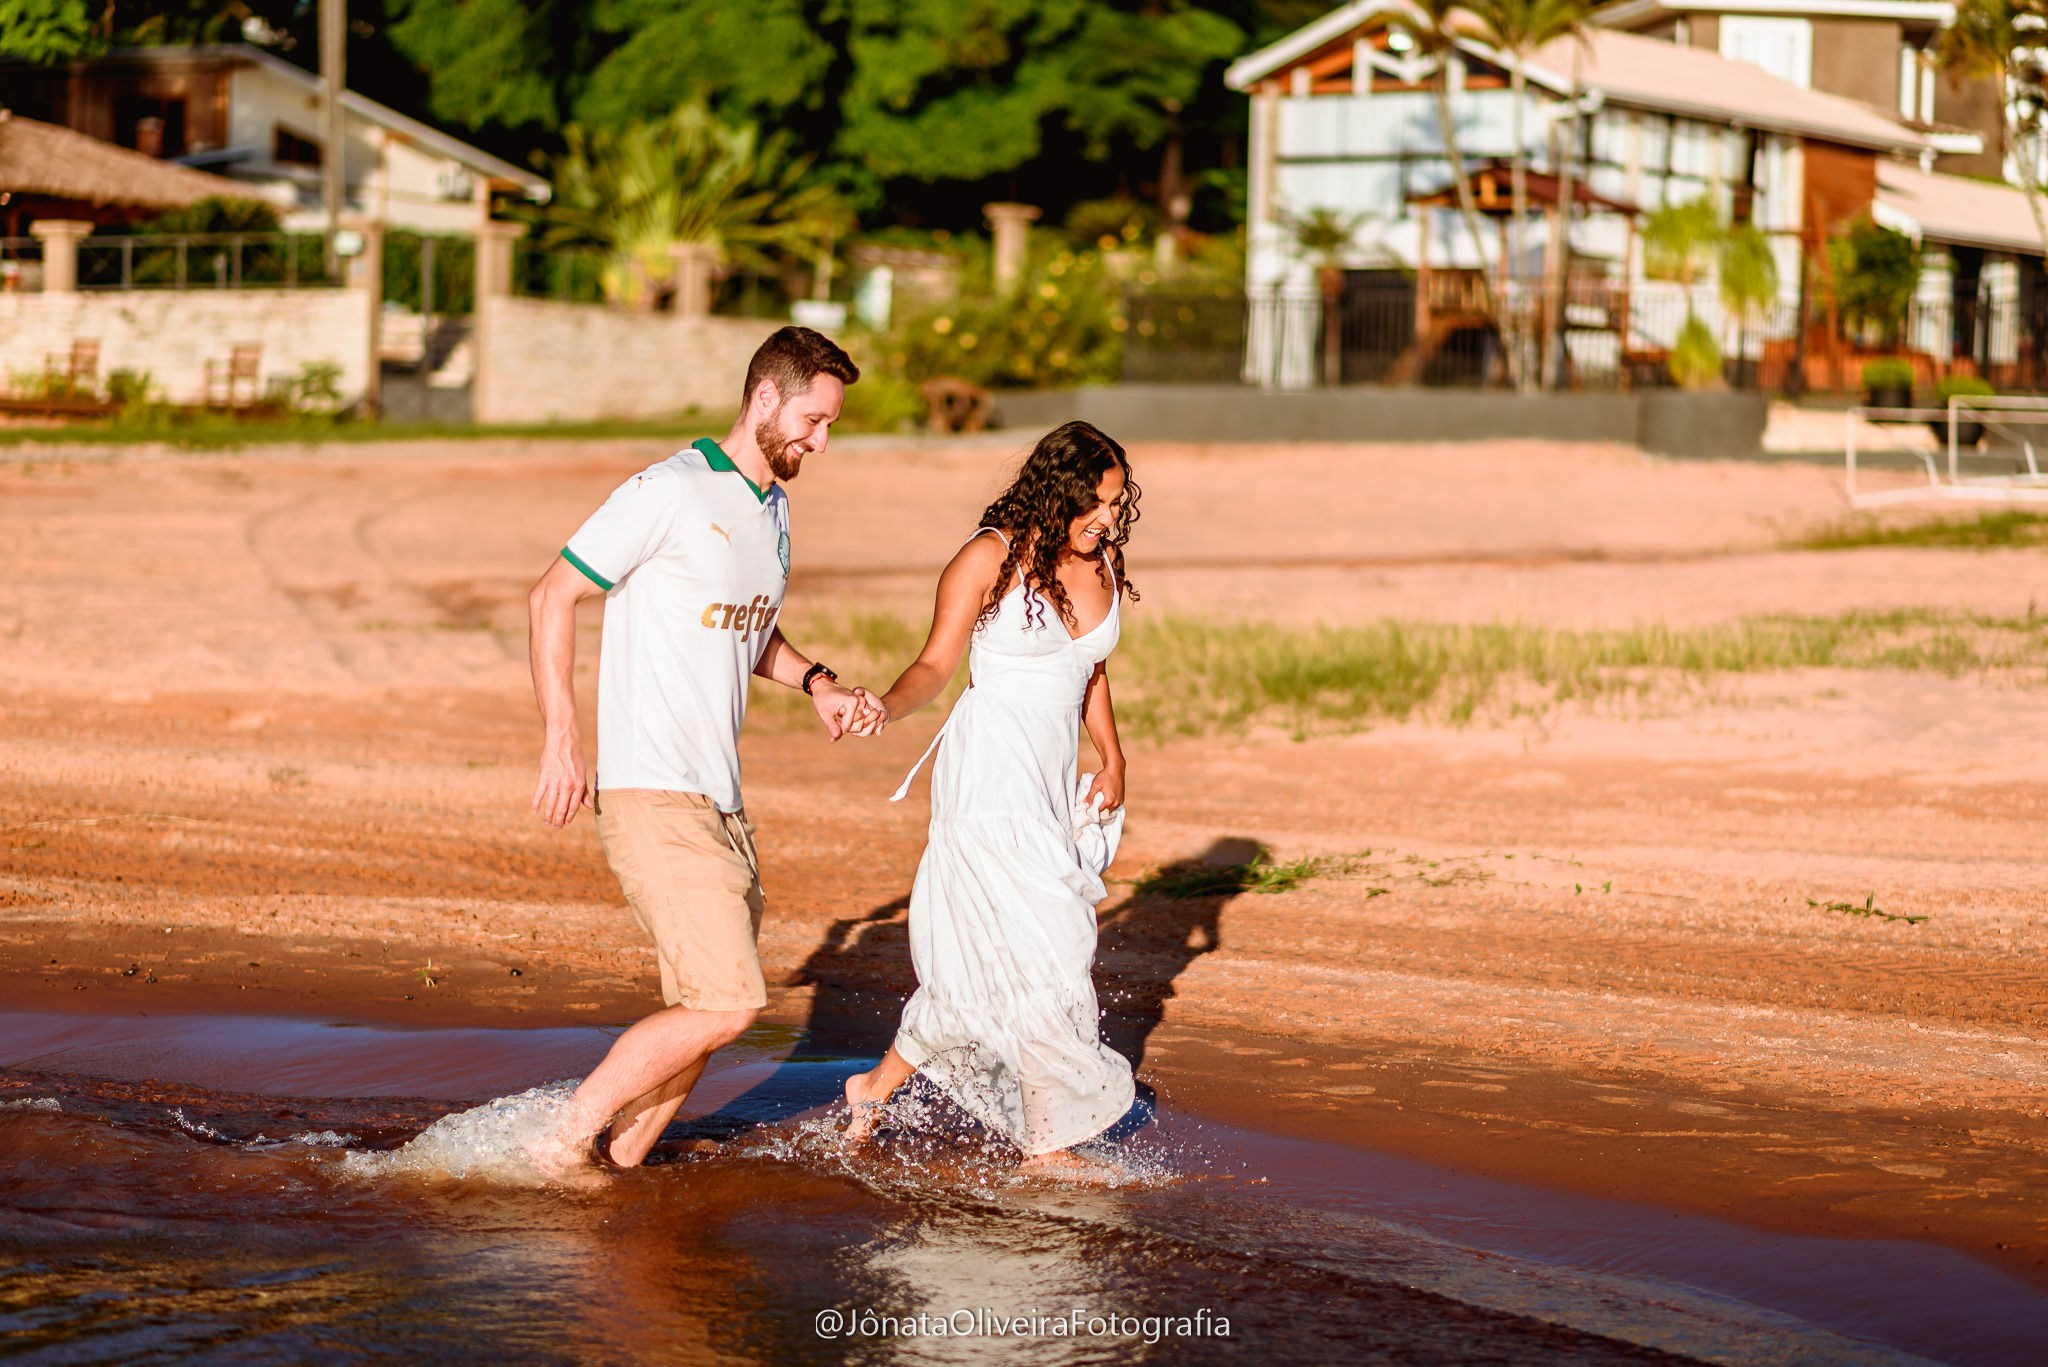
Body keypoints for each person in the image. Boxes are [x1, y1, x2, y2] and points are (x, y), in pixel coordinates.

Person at [525, 325, 879, 1173]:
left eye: (830, 425)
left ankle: (619, 1162)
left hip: (721, 800)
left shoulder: (773, 507)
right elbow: (552, 593)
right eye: (813, 419)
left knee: (703, 1004)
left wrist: (818, 680)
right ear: (764, 397)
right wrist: (562, 737)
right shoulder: (669, 490)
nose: (819, 440)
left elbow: (747, 632)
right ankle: (549, 1145)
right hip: (654, 788)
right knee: (728, 1001)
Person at [841, 420, 1141, 1173]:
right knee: (1054, 942)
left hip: (1045, 782)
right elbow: (936, 664)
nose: (1109, 517)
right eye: (1097, 502)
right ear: (1059, 490)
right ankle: (1049, 1143)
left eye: (1115, 502)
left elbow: (1088, 669)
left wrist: (1113, 754)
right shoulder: (988, 557)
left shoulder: (1099, 558)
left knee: (1013, 956)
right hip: (987, 780)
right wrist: (884, 702)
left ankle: (873, 1085)